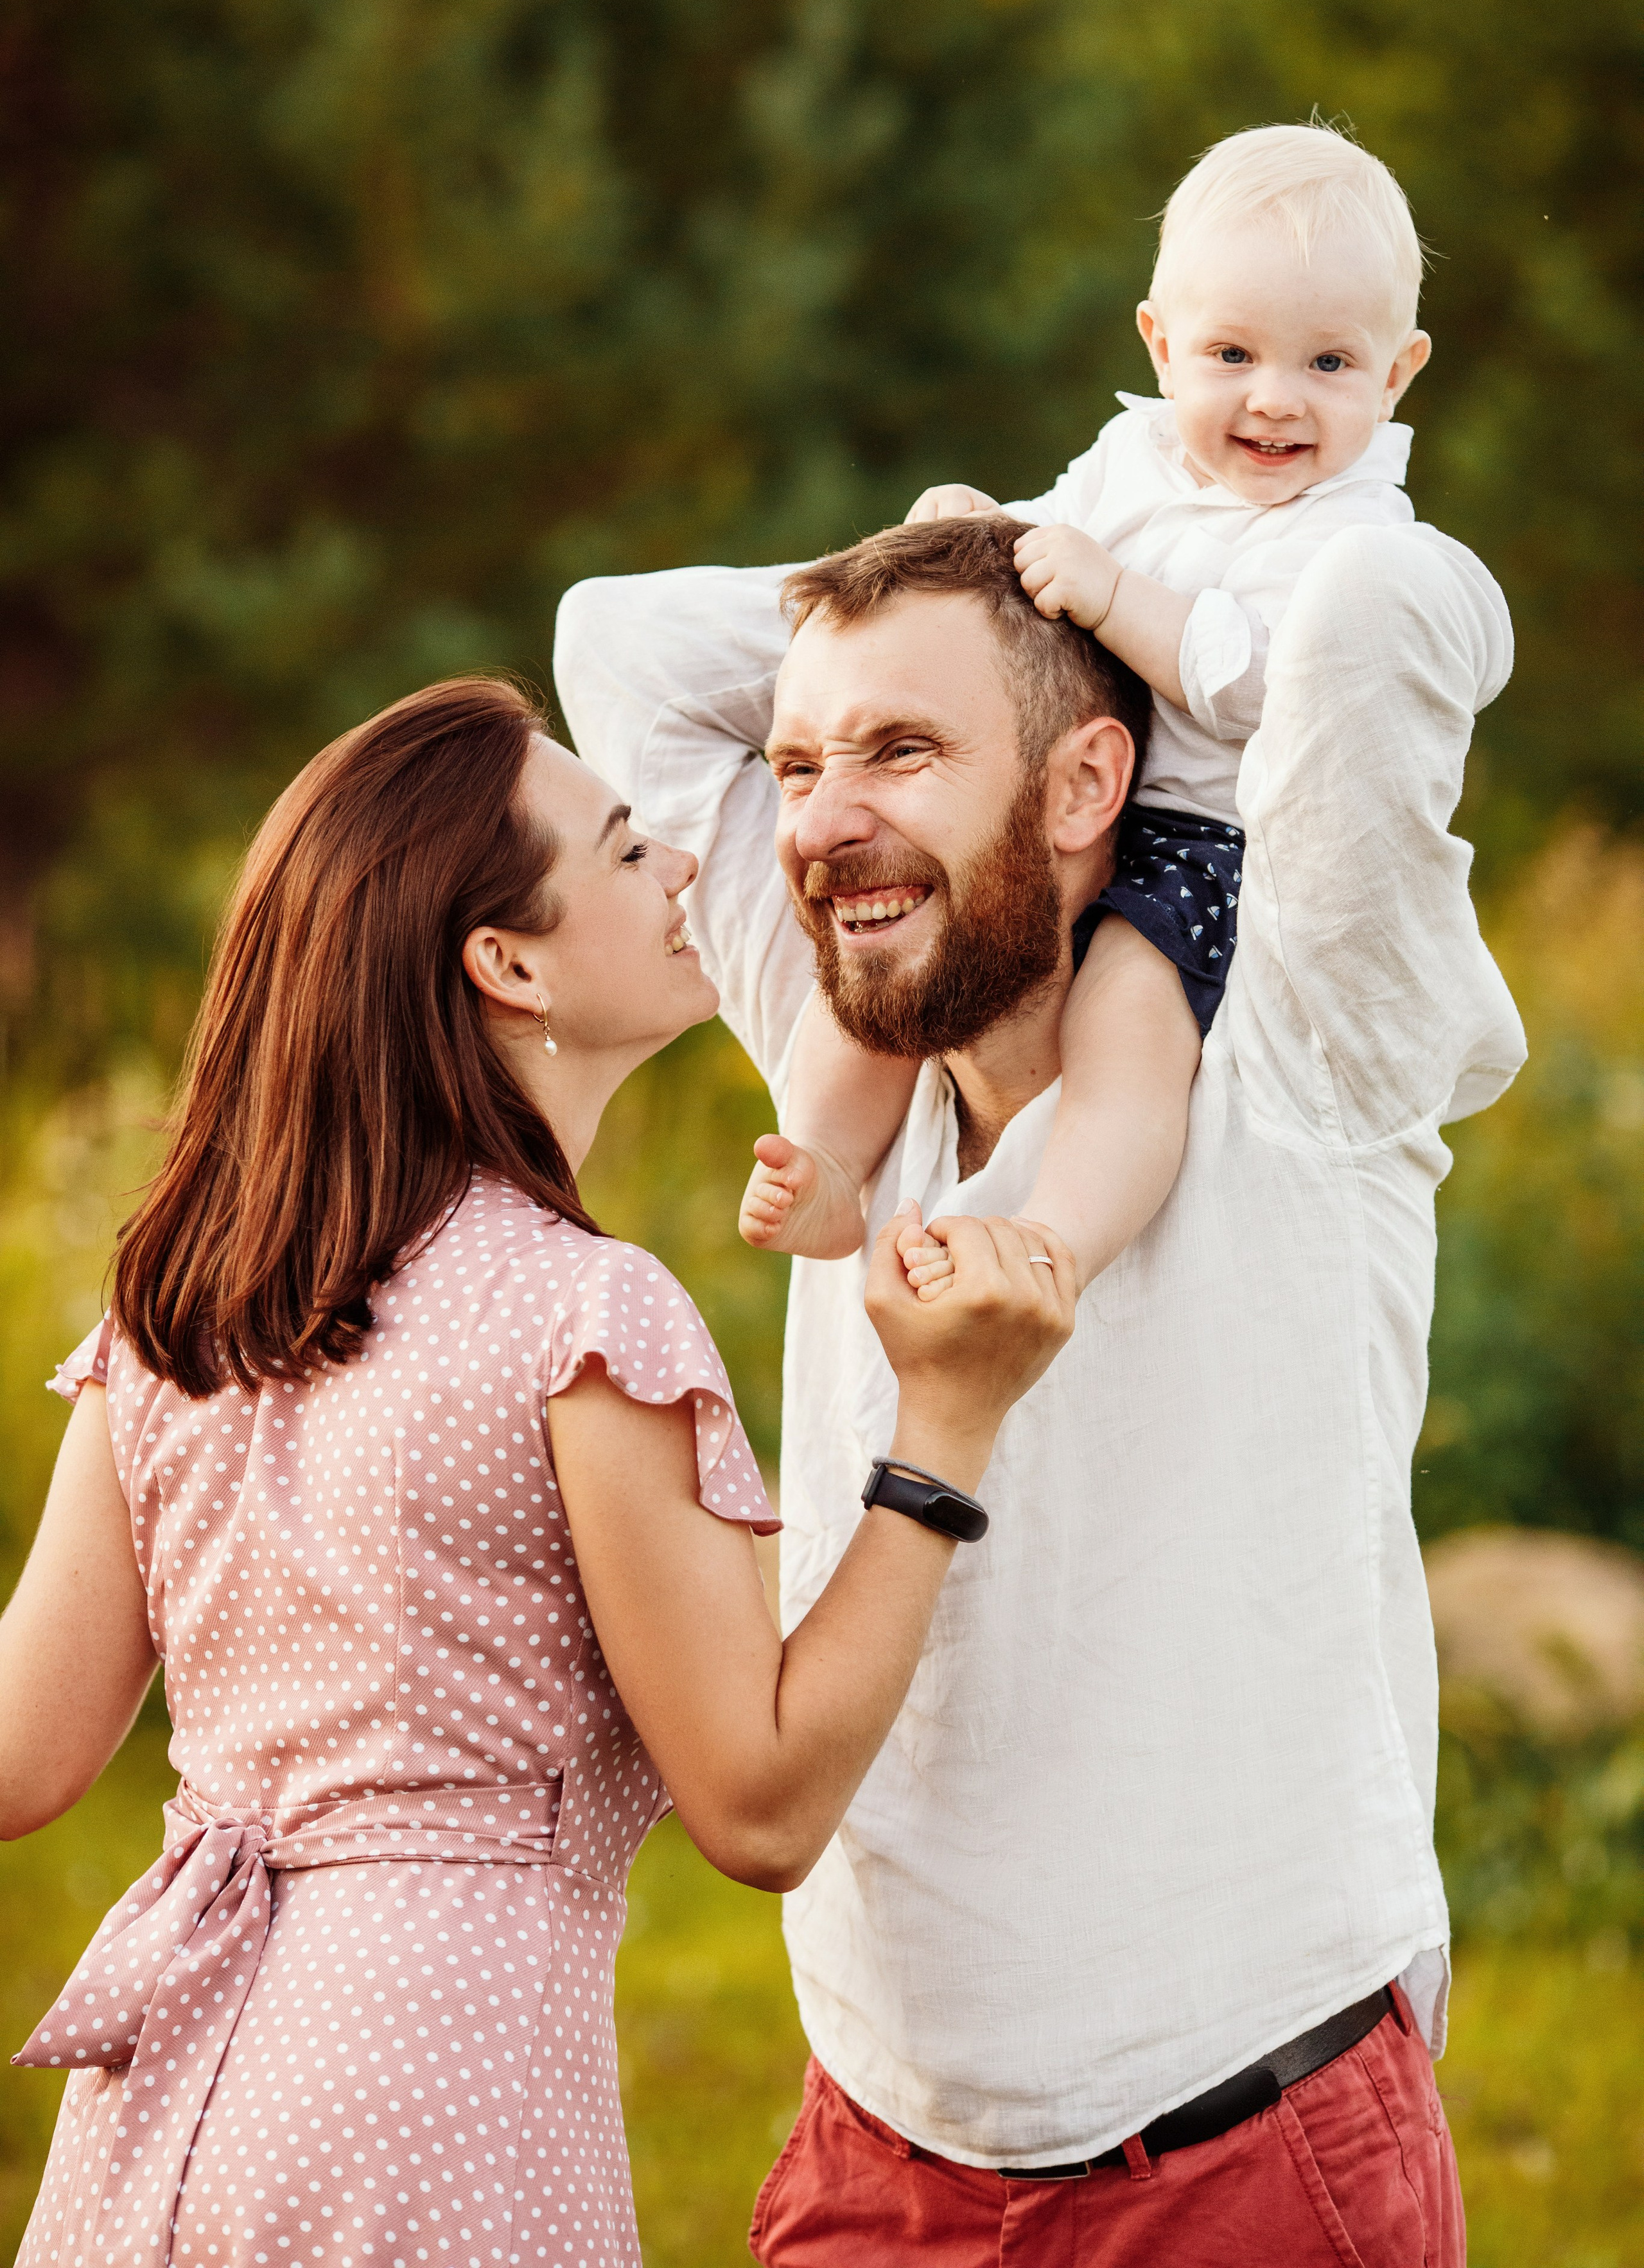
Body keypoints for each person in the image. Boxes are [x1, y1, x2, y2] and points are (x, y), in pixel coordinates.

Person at [0, 676, 1075, 2268]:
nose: (686, 868)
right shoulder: (584, 1315)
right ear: (506, 964)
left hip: (166, 2103)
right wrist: (944, 1427)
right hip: (428, 2110)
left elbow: (19, 1759)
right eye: (630, 851)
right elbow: (758, 1805)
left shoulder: (178, 1310)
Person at [555, 510, 1525, 2263]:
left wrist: (1114, 579)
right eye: (797, 763)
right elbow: (611, 637)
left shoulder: (1305, 1036)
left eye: (901, 752)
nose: (820, 823)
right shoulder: (849, 1049)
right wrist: (977, 564)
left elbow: (1384, 608)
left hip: (1243, 2140)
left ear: (1088, 785)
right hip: (874, 2149)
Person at [740, 124, 1431, 1300]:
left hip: (1207, 842)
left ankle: (1057, 1238)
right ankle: (829, 1162)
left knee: (1128, 1025)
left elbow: (1262, 685)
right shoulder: (1135, 454)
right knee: (885, 960)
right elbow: (1039, 541)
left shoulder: (1354, 536)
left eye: (1329, 364)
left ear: (1398, 374)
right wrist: (971, 532)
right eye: (1231, 354)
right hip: (1074, 805)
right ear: (1161, 346)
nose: (1275, 401)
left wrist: (1112, 595)